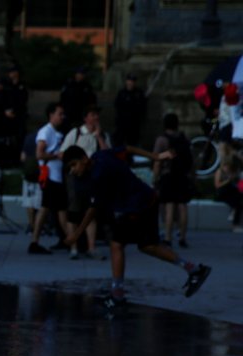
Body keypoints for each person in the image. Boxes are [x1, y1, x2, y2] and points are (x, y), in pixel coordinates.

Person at [62, 144, 211, 309]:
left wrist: (76, 234)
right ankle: (194, 269)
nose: (73, 171)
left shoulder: (99, 175)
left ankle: (117, 295)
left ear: (84, 159)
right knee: (148, 246)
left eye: (74, 165)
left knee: (116, 244)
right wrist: (156, 156)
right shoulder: (100, 155)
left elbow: (93, 209)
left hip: (136, 207)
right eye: (70, 168)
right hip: (147, 199)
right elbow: (127, 148)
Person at [59, 104, 111, 259]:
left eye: (97, 115)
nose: (95, 118)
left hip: (92, 177)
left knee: (91, 211)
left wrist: (98, 136)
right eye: (92, 115)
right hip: (75, 177)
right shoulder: (75, 134)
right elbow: (62, 153)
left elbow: (108, 154)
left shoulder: (102, 134)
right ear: (86, 118)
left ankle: (91, 247)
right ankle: (74, 247)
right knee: (74, 211)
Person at [28, 102, 68, 255]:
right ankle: (35, 241)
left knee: (57, 209)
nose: (62, 117)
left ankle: (69, 240)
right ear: (51, 115)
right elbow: (39, 154)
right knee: (48, 209)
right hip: (50, 177)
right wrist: (56, 156)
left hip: (56, 177)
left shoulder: (55, 132)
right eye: (60, 114)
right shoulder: (46, 132)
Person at [153, 113, 195, 247]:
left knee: (169, 206)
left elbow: (157, 160)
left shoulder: (162, 140)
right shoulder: (184, 138)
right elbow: (191, 160)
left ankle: (168, 237)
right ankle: (182, 237)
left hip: (168, 175)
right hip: (182, 176)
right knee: (183, 207)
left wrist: (155, 178)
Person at [114, 73, 147, 147]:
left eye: (133, 81)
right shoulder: (122, 93)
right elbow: (117, 106)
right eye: (129, 80)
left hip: (134, 124)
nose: (131, 83)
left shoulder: (139, 93)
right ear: (126, 81)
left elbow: (142, 108)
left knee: (133, 143)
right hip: (122, 124)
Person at [213, 152, 243, 233]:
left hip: (231, 193)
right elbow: (217, 185)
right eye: (226, 166)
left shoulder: (233, 171)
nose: (227, 168)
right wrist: (228, 180)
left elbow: (239, 185)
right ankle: (235, 225)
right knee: (237, 202)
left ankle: (233, 215)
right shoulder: (219, 171)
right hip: (222, 193)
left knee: (239, 197)